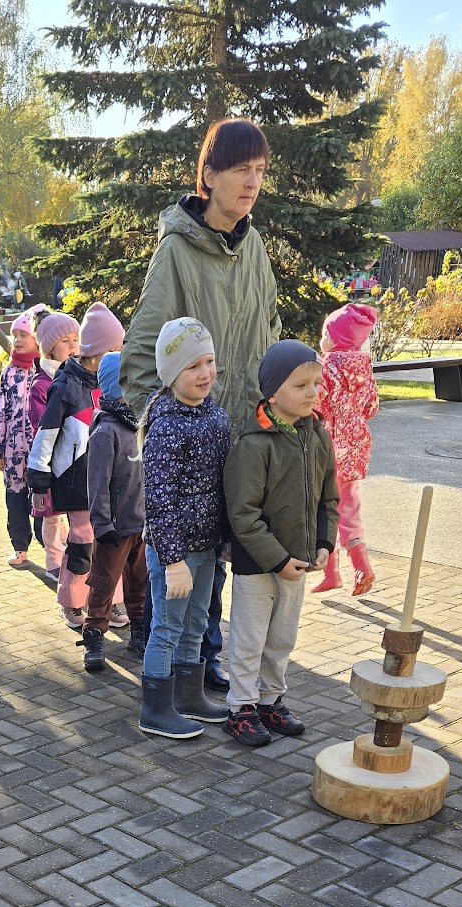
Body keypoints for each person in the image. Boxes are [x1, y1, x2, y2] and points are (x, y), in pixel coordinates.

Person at [121, 117, 281, 695]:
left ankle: (205, 656)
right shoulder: (177, 251)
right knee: (187, 560)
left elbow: (268, 331)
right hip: (194, 442)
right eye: (240, 169)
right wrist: (167, 419)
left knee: (219, 559)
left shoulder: (254, 245)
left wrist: (273, 411)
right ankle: (176, 666)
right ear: (209, 175)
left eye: (259, 170)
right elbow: (141, 353)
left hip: (243, 437)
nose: (252, 182)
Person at [223, 339, 338, 747]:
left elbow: (328, 498)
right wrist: (277, 560)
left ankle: (270, 700)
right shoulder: (253, 445)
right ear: (272, 392)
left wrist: (324, 542)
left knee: (282, 637)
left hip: (299, 562)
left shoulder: (318, 436)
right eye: (301, 385)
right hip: (259, 564)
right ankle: (241, 707)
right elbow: (243, 514)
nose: (312, 393)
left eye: (316, 384)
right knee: (249, 638)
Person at [137, 319, 232, 737]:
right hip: (172, 552)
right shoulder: (166, 425)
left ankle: (188, 697)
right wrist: (173, 561)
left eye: (209, 362)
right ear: (172, 372)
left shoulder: (217, 416)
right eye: (193, 365)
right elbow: (158, 500)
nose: (205, 373)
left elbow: (224, 486)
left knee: (196, 624)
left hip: (206, 547)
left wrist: (225, 539)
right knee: (167, 627)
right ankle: (155, 709)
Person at [27, 301, 124, 630]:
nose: (119, 355)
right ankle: (70, 601)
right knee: (82, 544)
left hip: (108, 482)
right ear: (96, 350)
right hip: (76, 480)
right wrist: (39, 481)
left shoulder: (111, 382)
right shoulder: (65, 385)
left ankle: (109, 600)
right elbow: (45, 435)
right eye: (114, 349)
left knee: (111, 543)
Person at [82, 351, 148, 669]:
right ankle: (94, 634)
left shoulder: (139, 424)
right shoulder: (105, 432)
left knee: (140, 582)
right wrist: (102, 522)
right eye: (129, 382)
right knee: (103, 582)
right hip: (114, 527)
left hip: (141, 523)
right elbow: (97, 483)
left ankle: (139, 631)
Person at [314, 301, 378, 597]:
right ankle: (362, 566)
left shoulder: (325, 365)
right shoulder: (364, 366)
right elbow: (371, 407)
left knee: (323, 510)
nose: (322, 340)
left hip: (326, 451)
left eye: (324, 334)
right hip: (353, 451)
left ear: (333, 338)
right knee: (349, 509)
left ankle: (331, 573)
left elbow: (314, 401)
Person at [0, 306, 45, 567]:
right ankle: (20, 546)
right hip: (13, 452)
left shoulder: (44, 372)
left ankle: (50, 545)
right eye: (15, 336)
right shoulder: (9, 373)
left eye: (24, 335)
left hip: (40, 452)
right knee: (15, 498)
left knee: (42, 498)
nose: (18, 340)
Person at [28, 310, 81, 577]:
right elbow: (41, 423)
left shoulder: (80, 376)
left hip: (75, 457)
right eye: (65, 341)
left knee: (73, 512)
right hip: (52, 458)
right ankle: (53, 559)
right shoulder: (42, 383)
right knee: (51, 513)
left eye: (75, 339)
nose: (73, 346)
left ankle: (73, 555)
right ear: (50, 348)